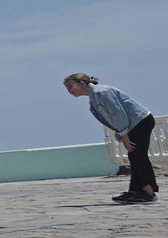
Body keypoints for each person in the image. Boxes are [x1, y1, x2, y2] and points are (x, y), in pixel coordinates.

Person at [64, 73, 156, 203]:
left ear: (82, 84)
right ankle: (135, 191)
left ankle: (149, 192)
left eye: (71, 86)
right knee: (134, 156)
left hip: (140, 121)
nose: (69, 91)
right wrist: (122, 133)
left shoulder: (101, 93)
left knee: (139, 155)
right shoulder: (94, 98)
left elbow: (117, 113)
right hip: (131, 126)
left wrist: (123, 134)